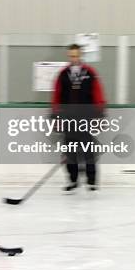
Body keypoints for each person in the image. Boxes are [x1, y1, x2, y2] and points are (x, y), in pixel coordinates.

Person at [52, 43, 106, 192]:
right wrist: (56, 116)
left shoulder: (90, 72)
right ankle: (73, 180)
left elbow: (98, 94)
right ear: (68, 56)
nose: (74, 58)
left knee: (88, 150)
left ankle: (91, 181)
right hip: (68, 118)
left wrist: (99, 114)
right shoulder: (63, 74)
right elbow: (57, 96)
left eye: (76, 55)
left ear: (81, 55)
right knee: (70, 152)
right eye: (71, 56)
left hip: (86, 118)